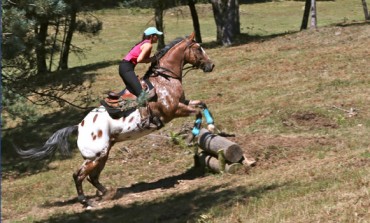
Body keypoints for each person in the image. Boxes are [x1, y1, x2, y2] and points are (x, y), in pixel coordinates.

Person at [118, 26, 163, 106]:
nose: (158, 37)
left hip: (125, 67)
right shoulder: (148, 45)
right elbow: (139, 59)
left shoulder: (144, 43)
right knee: (142, 95)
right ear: (152, 36)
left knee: (133, 91)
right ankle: (133, 110)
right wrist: (152, 59)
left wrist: (152, 58)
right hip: (126, 68)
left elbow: (143, 58)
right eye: (156, 35)